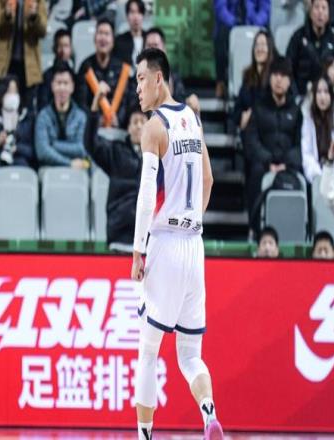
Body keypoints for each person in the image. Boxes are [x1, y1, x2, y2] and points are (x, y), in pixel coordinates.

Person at [131, 48, 223, 440]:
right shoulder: (192, 118)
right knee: (190, 355)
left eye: (140, 79)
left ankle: (144, 436)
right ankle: (209, 414)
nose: (137, 89)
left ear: (158, 78)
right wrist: (192, 220)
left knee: (148, 350)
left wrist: (139, 250)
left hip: (166, 244)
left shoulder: (154, 128)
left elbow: (145, 196)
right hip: (194, 245)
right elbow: (208, 180)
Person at [243, 56, 303, 235]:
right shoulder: (259, 107)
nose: (279, 79)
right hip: (264, 165)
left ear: (289, 81)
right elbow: (251, 141)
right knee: (255, 173)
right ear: (269, 78)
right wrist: (269, 162)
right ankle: (256, 230)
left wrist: (286, 163)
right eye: (275, 74)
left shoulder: (296, 111)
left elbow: (302, 144)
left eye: (283, 75)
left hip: (289, 166)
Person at [86, 93, 147, 247]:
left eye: (142, 121)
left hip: (149, 236)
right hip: (120, 233)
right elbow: (91, 143)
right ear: (128, 128)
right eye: (135, 122)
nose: (139, 126)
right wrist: (95, 107)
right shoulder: (116, 152)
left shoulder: (158, 156)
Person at [0, 0, 47, 107]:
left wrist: (34, 18)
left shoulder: (38, 1)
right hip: (3, 66)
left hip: (29, 68)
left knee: (27, 110)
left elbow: (43, 30)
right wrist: (5, 15)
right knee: (0, 108)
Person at [76, 18, 129, 127]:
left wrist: (119, 119)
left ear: (113, 41)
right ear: (94, 39)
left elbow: (126, 101)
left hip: (118, 126)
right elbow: (81, 102)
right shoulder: (85, 67)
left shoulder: (121, 68)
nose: (103, 38)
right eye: (100, 33)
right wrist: (95, 119)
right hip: (91, 125)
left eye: (107, 34)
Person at [35, 61, 88, 168]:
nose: (62, 88)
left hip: (78, 168)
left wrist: (54, 145)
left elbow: (82, 149)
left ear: (72, 87)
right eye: (58, 83)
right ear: (52, 86)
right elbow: (42, 152)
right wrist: (69, 163)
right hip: (50, 167)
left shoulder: (81, 117)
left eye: (66, 83)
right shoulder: (43, 116)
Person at [213, 0, 271, 97]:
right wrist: (234, 22)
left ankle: (264, 81)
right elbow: (221, 8)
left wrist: (256, 22)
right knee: (221, 36)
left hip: (254, 22)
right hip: (230, 24)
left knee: (266, 37)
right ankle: (221, 81)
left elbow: (265, 9)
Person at [301, 75, 334, 183]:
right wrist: (318, 177)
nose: (322, 97)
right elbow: (307, 154)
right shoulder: (308, 121)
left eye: (326, 92)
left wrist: (332, 176)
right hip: (315, 177)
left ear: (331, 96)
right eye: (319, 92)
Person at [0, 75, 35, 177]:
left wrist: (17, 148)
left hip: (21, 165)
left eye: (15, 92)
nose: (12, 96)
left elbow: (33, 153)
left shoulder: (26, 119)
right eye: (9, 92)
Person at [286, 0, 334, 96]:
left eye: (324, 8)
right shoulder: (298, 37)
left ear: (329, 13)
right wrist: (295, 96)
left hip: (325, 97)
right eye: (317, 7)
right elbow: (288, 69)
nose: (320, 12)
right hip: (301, 96)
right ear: (310, 12)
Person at [144, 27, 200, 114]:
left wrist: (190, 101)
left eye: (155, 45)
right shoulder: (136, 80)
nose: (152, 50)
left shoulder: (175, 78)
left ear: (164, 49)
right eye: (149, 46)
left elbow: (181, 101)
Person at [233, 29, 276, 133]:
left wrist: (251, 114)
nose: (259, 49)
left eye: (263, 45)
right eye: (257, 45)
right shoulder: (248, 75)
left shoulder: (276, 75)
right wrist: (242, 116)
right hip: (250, 131)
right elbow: (237, 110)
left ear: (270, 48)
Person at [37, 29, 74, 110]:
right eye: (60, 46)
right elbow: (43, 104)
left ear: (71, 49)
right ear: (54, 48)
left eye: (66, 46)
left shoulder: (74, 76)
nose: (63, 51)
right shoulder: (46, 76)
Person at [113, 0, 147, 68]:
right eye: (132, 12)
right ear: (127, 16)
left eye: (139, 12)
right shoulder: (119, 41)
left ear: (143, 15)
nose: (136, 17)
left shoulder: (149, 39)